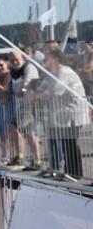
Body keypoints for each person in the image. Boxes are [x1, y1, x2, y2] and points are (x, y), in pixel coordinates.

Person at [34, 50, 90, 179]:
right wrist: (39, 94)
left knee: (70, 143)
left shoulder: (64, 72)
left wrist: (39, 95)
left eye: (47, 58)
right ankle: (69, 172)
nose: (44, 61)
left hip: (73, 114)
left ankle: (75, 174)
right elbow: (41, 89)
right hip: (63, 115)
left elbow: (54, 92)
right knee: (66, 143)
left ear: (55, 59)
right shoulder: (52, 74)